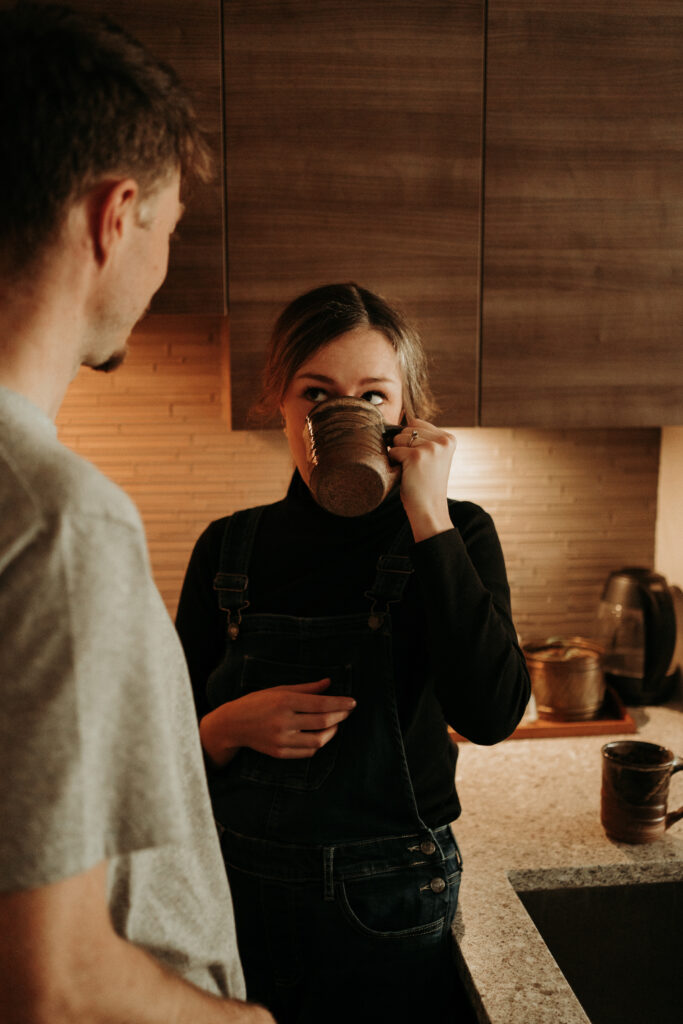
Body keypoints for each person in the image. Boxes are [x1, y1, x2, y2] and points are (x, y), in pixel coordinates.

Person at [0, 5, 273, 1022]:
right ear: (115, 218)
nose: (161, 263)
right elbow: (52, 984)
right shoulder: (60, 519)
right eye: (169, 227)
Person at [176, 281, 531, 1022]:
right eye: (317, 392)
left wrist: (426, 513)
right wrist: (223, 729)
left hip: (395, 889)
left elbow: (492, 714)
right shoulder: (227, 547)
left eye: (372, 396)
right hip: (241, 886)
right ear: (279, 401)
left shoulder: (454, 532)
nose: (344, 413)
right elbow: (158, 753)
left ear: (405, 412)